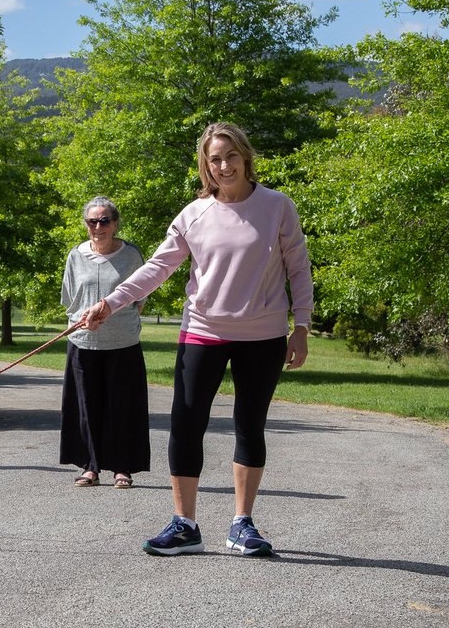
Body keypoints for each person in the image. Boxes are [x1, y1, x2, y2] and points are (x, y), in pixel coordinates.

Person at [83, 122, 312, 557]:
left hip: (263, 334)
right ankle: (185, 524)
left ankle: (242, 525)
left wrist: (301, 325)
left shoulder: (277, 206)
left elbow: (298, 268)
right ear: (205, 166)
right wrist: (111, 302)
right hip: (203, 331)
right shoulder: (194, 213)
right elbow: (157, 267)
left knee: (250, 425)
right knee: (187, 425)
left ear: (245, 156)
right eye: (214, 159)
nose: (224, 165)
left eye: (230, 156)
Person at [60, 196, 150, 489]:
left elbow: (140, 298)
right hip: (83, 342)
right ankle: (91, 466)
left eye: (104, 221)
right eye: (92, 221)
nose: (98, 227)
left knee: (122, 407)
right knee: (87, 407)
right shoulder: (75, 255)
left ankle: (122, 467)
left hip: (123, 343)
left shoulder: (131, 255)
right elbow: (69, 297)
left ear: (115, 224)